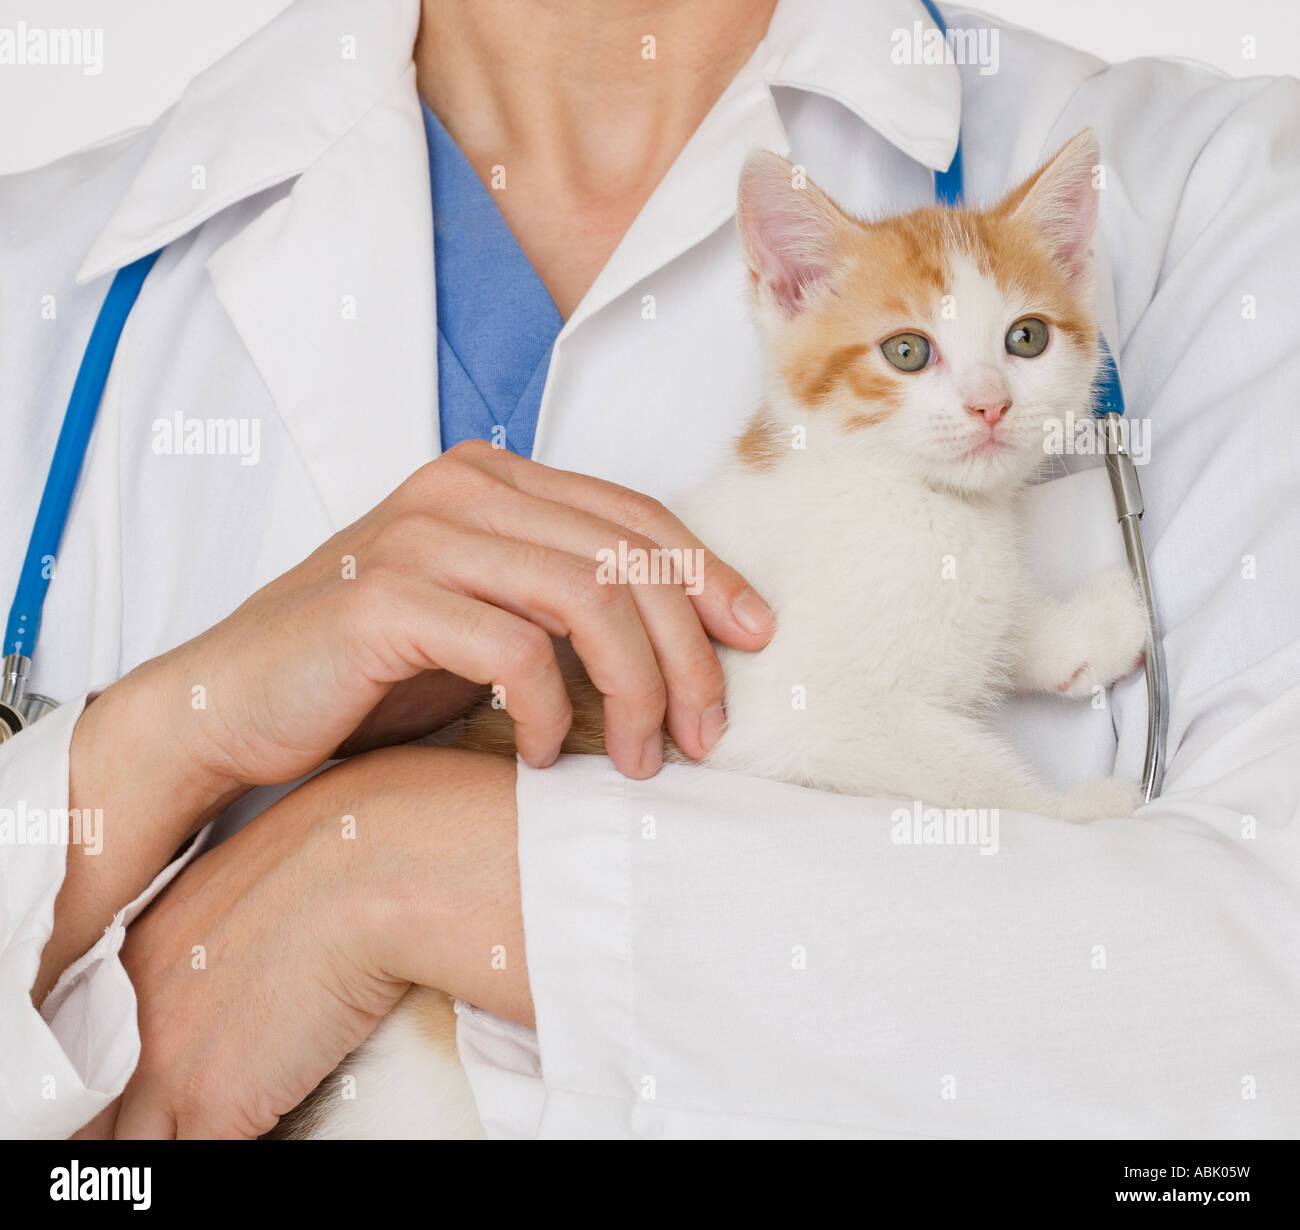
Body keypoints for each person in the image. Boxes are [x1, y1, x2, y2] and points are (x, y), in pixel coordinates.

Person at [1, 0, 1298, 1140]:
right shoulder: (39, 288)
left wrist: (392, 870)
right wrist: (159, 745)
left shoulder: (1216, 189)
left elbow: (1263, 1020)